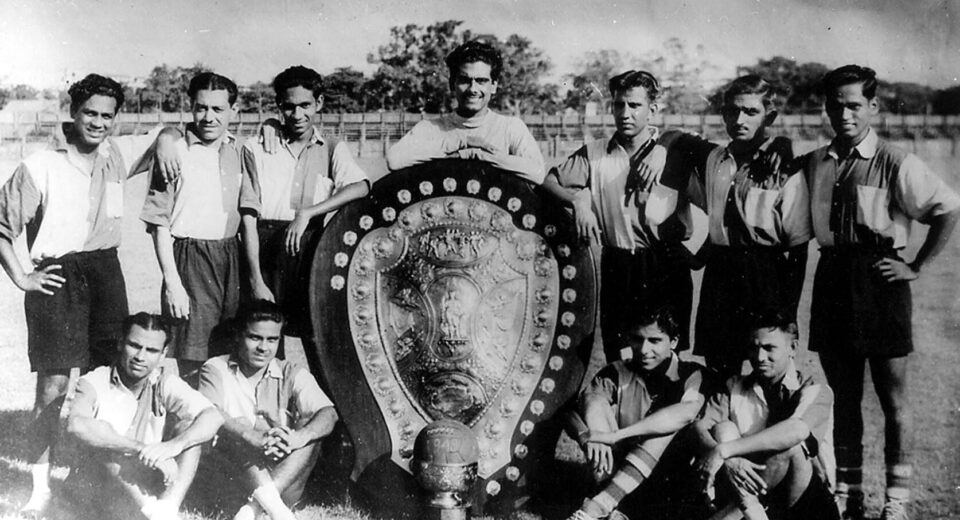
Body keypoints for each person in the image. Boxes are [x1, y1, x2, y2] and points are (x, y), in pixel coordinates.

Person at [0, 73, 180, 514]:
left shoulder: (117, 153)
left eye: (107, 116)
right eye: (90, 113)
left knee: (109, 378)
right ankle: (40, 487)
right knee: (55, 385)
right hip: (58, 275)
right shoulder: (42, 164)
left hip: (105, 272)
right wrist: (23, 277)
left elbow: (168, 131)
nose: (98, 123)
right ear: (73, 112)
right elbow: (2, 227)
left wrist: (167, 140)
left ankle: (95, 477)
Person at [801, 65, 960, 520]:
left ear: (873, 106)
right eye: (836, 106)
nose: (844, 115)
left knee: (893, 401)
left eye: (854, 105)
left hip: (881, 281)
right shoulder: (816, 161)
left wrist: (916, 266)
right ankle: (849, 495)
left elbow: (947, 208)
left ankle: (896, 500)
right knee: (844, 398)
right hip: (833, 278)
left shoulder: (895, 160)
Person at [542, 70, 705, 362]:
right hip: (618, 264)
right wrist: (578, 200)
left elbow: (716, 203)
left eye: (635, 105)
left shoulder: (671, 156)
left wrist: (697, 256)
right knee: (619, 355)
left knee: (668, 357)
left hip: (666, 266)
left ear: (652, 109)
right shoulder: (595, 153)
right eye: (619, 105)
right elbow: (549, 182)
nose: (625, 113)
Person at [240, 65, 369, 369]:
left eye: (305, 105)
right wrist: (256, 278)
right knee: (266, 341)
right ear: (279, 106)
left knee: (318, 341)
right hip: (266, 249)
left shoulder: (332, 147)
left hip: (311, 248)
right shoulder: (257, 147)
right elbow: (248, 216)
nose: (297, 114)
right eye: (289, 106)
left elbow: (361, 186)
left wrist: (309, 212)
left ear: (319, 103)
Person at [692, 75, 810, 380]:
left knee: (768, 369)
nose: (739, 120)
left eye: (751, 112)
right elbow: (722, 216)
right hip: (720, 273)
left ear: (769, 117)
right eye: (733, 111)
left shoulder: (784, 166)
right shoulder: (715, 160)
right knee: (719, 371)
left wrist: (789, 312)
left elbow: (798, 247)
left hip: (765, 273)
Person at [142, 71, 248, 382]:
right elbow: (158, 223)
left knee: (231, 354)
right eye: (201, 108)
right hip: (190, 258)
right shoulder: (173, 150)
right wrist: (172, 282)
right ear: (191, 107)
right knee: (193, 358)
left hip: (232, 256)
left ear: (234, 110)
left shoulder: (241, 150)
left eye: (218, 109)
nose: (208, 117)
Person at [65, 312, 223, 520]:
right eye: (134, 345)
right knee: (105, 436)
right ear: (120, 343)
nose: (140, 357)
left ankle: (166, 510)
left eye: (151, 350)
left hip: (147, 479)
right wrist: (141, 449)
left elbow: (213, 416)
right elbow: (76, 425)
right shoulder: (95, 380)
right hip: (101, 484)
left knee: (188, 429)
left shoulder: (163, 381)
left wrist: (175, 445)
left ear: (163, 354)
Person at [563, 306, 707, 520]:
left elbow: (685, 413)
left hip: (670, 476)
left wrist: (616, 436)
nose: (644, 350)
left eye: (655, 341)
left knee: (665, 429)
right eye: (637, 339)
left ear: (674, 342)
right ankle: (612, 507)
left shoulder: (691, 373)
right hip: (622, 470)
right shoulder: (616, 371)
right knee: (595, 405)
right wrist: (588, 436)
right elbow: (576, 410)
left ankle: (600, 506)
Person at [198, 300, 338, 520]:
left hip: (284, 475)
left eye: (272, 339)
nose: (264, 348)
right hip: (234, 477)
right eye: (255, 338)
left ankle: (256, 508)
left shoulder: (291, 371)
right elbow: (209, 410)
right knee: (233, 425)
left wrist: (297, 438)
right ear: (238, 335)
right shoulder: (216, 368)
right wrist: (251, 436)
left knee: (310, 427)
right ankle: (275, 510)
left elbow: (329, 413)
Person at [694, 310, 838, 520]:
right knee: (723, 428)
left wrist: (724, 451)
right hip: (749, 500)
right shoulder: (733, 386)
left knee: (790, 446)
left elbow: (796, 430)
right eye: (754, 348)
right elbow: (700, 428)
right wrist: (731, 461)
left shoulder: (815, 389)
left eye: (769, 348)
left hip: (805, 504)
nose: (760, 357)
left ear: (793, 348)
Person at [385, 40, 546, 184]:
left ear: (493, 86)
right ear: (452, 84)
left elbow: (538, 173)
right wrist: (461, 143)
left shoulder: (510, 127)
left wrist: (481, 155)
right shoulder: (430, 127)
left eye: (481, 81)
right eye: (464, 80)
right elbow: (394, 160)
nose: (473, 89)